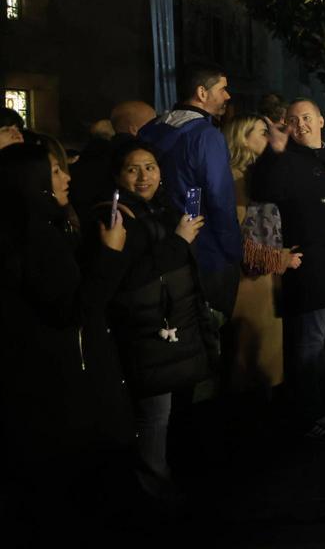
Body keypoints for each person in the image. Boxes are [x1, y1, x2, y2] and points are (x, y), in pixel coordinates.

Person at [0, 138, 135, 541]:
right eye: (55, 172)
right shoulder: (37, 236)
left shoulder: (30, 228)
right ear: (31, 180)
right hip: (60, 387)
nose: (67, 178)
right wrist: (110, 254)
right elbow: (72, 308)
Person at [86, 140, 212, 497]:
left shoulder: (162, 208)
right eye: (133, 168)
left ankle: (175, 478)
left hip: (174, 327)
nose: (144, 176)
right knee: (154, 415)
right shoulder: (113, 215)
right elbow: (128, 274)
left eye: (151, 167)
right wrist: (180, 241)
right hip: (146, 332)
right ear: (117, 175)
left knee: (174, 412)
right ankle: (154, 492)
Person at [251, 98, 325, 440]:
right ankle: (309, 413)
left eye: (306, 117)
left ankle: (322, 402)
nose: (300, 123)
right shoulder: (284, 160)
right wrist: (274, 151)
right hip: (313, 268)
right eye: (293, 119)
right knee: (310, 344)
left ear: (320, 121)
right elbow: (262, 189)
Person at [139, 62, 242, 316]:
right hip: (206, 251)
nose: (227, 96)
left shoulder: (150, 129)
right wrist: (233, 250)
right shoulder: (206, 136)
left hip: (160, 244)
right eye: (223, 89)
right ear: (202, 93)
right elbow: (219, 198)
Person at [223, 114, 301, 397]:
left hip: (269, 279)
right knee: (253, 364)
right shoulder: (235, 178)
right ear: (242, 139)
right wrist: (278, 259)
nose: (270, 138)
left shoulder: (258, 174)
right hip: (252, 282)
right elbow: (236, 236)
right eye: (262, 133)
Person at [71, 100, 157, 214]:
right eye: (153, 125)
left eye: (150, 168)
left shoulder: (93, 153)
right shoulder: (120, 156)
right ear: (134, 129)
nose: (144, 177)